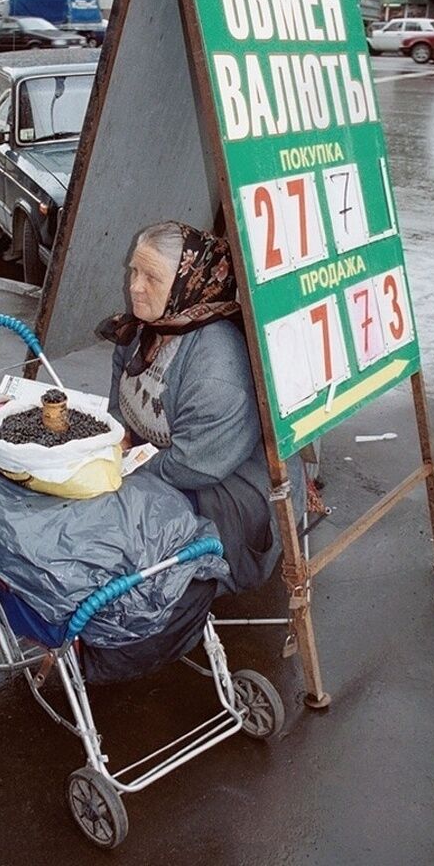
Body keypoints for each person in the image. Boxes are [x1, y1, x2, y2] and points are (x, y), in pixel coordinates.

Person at [98, 221, 306, 595]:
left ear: (187, 284)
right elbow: (118, 408)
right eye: (133, 270)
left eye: (151, 277)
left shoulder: (217, 369)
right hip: (159, 464)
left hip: (224, 496)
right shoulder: (141, 330)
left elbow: (191, 465)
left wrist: (121, 468)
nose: (134, 286)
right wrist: (115, 442)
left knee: (107, 533)